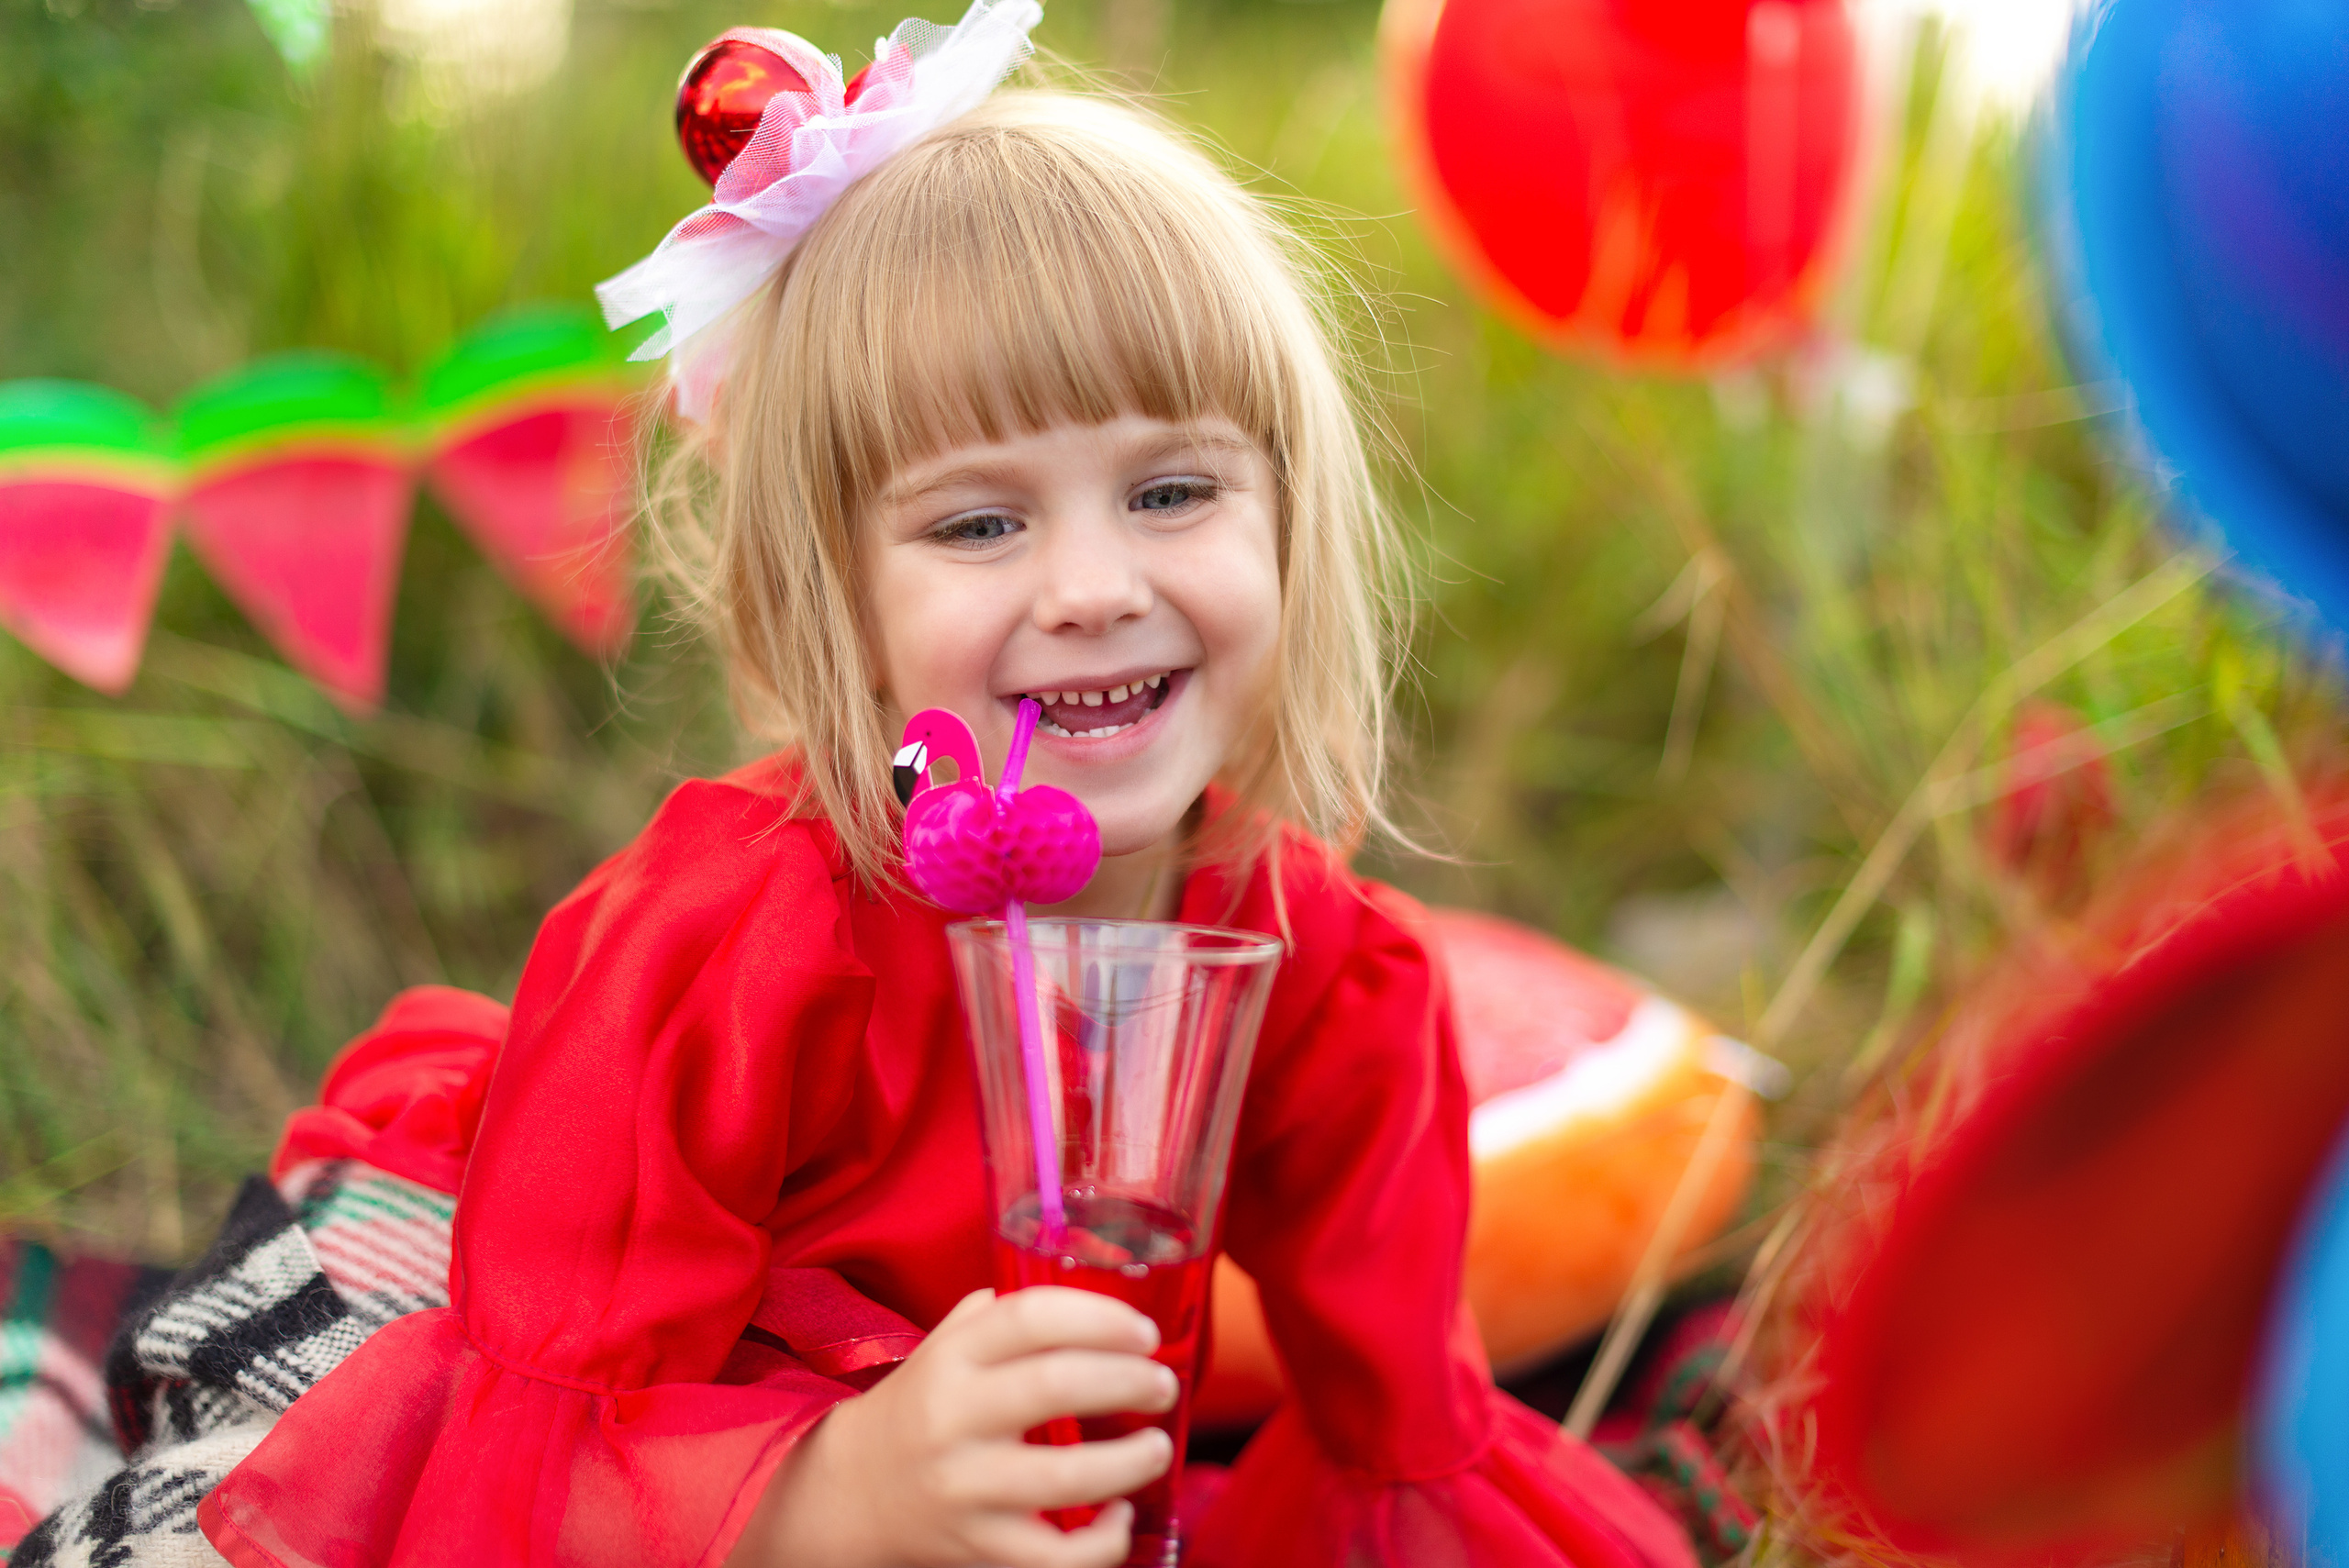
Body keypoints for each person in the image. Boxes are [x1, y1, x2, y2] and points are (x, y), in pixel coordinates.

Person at [194, 6, 1701, 1566]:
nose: (1094, 585)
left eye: (1172, 490)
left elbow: (1404, 1441)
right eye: (979, 525)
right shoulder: (734, 937)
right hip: (529, 1317)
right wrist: (839, 1494)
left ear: (1288, 519)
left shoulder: (1312, 962)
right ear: (827, 600)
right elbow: (533, 1459)